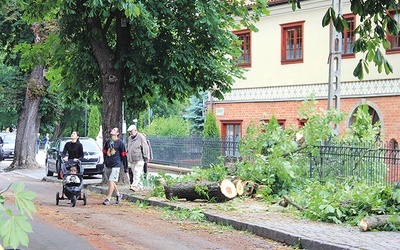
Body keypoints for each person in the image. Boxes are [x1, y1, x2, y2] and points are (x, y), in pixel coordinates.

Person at [102, 127, 128, 205]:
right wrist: (105, 162)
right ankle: (118, 194)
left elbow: (124, 155)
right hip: (108, 164)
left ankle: (108, 198)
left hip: (116, 164)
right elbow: (104, 152)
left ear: (117, 133)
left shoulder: (120, 143)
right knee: (111, 182)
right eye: (112, 130)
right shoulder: (107, 142)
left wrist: (126, 167)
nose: (112, 131)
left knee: (111, 181)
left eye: (114, 130)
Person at [126, 124, 150, 191]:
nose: (130, 133)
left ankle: (134, 186)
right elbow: (128, 147)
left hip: (139, 159)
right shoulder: (129, 138)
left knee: (137, 172)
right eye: (129, 132)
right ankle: (140, 187)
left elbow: (145, 148)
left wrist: (146, 157)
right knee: (136, 173)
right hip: (132, 159)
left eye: (131, 131)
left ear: (135, 130)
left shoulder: (141, 137)